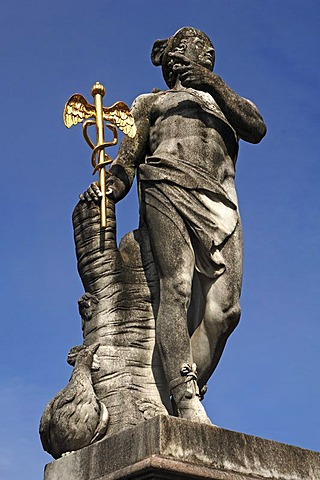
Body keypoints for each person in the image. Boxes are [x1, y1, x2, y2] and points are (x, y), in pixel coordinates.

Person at [82, 27, 266, 423]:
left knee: (225, 312)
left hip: (220, 200)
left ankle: (181, 387)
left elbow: (257, 128)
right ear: (175, 57)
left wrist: (213, 84)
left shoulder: (227, 103)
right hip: (165, 184)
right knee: (177, 286)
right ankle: (184, 394)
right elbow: (127, 161)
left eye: (208, 49)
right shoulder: (151, 102)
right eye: (196, 47)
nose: (206, 51)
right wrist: (109, 189)